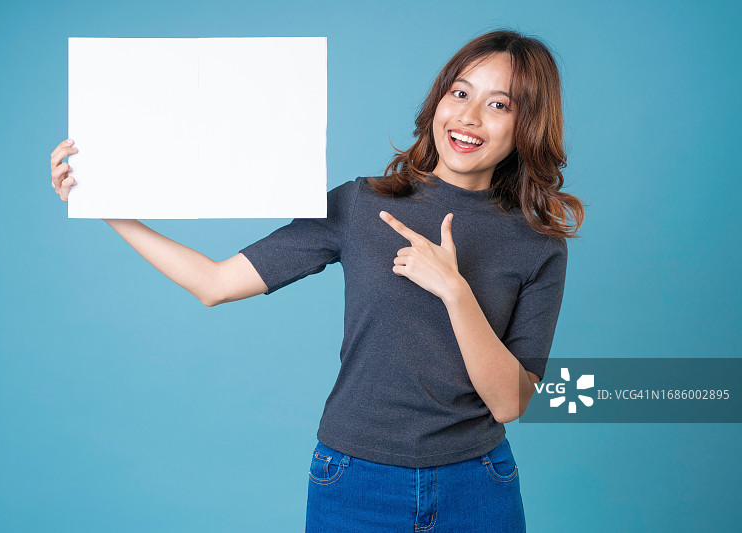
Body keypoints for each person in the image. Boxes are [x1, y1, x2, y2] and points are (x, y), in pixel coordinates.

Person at [49, 28, 584, 532]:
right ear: (438, 101)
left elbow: (510, 403)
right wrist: (104, 205)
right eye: (459, 92)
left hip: (477, 483)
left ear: (526, 125)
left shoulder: (537, 243)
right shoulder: (361, 204)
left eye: (498, 104)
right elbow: (214, 282)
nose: (468, 117)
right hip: (354, 481)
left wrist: (455, 291)